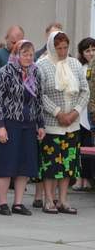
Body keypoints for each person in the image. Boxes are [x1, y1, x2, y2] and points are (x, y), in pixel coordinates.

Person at [37, 31, 89, 214]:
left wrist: (75, 112)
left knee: (68, 164)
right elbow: (39, 94)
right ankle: (48, 200)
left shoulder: (74, 64)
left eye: (65, 47)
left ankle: (63, 199)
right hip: (52, 123)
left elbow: (85, 91)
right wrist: (59, 113)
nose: (62, 51)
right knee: (51, 164)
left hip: (72, 124)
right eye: (58, 48)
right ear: (52, 47)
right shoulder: (42, 65)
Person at [0, 40, 46, 216]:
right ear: (16, 54)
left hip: (28, 123)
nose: (28, 58)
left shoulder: (35, 72)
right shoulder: (5, 72)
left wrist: (40, 124)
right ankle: (2, 203)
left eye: (31, 54)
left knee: (25, 165)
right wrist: (0, 126)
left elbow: (38, 100)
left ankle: (18, 203)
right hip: (9, 123)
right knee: (7, 163)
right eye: (24, 54)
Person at [74, 37, 95, 191]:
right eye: (87, 50)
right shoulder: (80, 67)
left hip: (91, 111)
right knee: (79, 146)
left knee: (89, 146)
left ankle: (88, 178)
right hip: (80, 112)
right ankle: (79, 178)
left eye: (93, 49)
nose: (91, 53)